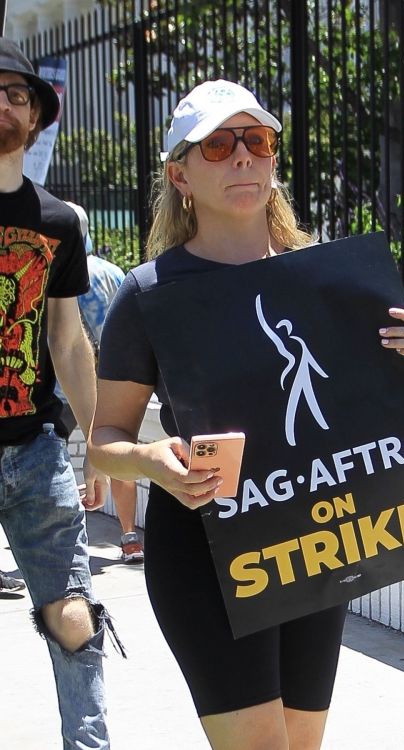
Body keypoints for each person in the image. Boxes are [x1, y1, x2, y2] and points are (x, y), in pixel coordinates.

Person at [89, 79, 404, 749]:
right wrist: (149, 461)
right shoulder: (149, 296)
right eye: (218, 145)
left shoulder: (330, 280)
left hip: (313, 543)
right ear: (180, 174)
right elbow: (102, 441)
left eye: (257, 140)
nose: (243, 158)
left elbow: (378, 409)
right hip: (204, 550)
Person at [0, 38, 122, 749]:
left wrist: (97, 445)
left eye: (19, 94)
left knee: (74, 618)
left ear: (38, 116)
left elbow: (70, 342)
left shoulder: (59, 223)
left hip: (36, 451)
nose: (6, 105)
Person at [59, 201, 143, 564]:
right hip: (112, 380)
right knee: (120, 455)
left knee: (52, 458)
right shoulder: (111, 271)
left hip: (65, 386)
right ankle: (129, 538)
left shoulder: (54, 270)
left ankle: (60, 539)